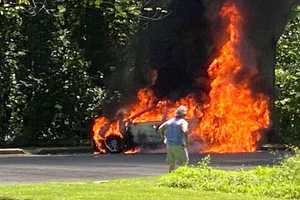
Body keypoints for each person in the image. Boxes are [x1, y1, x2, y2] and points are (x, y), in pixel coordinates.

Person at [158, 105, 189, 172]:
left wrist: (163, 137)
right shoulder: (183, 122)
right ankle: (180, 177)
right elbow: (185, 130)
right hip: (179, 145)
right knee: (184, 162)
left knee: (172, 164)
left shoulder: (169, 122)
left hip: (169, 145)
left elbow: (160, 129)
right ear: (184, 114)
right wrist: (186, 142)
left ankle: (170, 177)